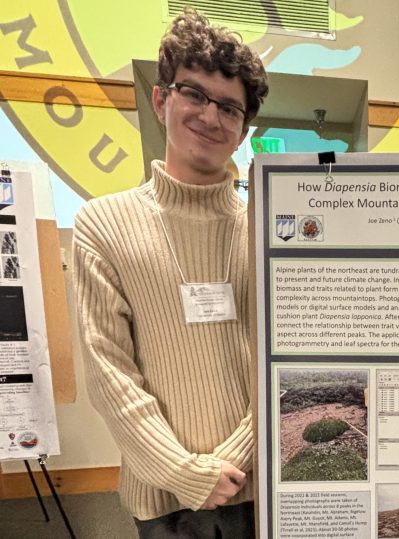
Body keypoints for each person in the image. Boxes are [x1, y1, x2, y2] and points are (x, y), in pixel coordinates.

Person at [73, 8, 268, 538]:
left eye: (230, 107)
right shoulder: (103, 223)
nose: (211, 116)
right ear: (162, 99)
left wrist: (235, 459)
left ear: (243, 129)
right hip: (165, 501)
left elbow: (287, 360)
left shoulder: (269, 229)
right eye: (195, 94)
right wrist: (184, 472)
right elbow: (108, 369)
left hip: (264, 485)